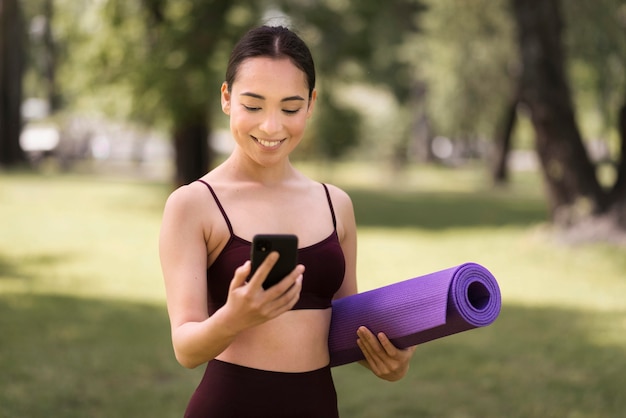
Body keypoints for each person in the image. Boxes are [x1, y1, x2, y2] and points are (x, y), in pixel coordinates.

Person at [159, 25, 417, 418]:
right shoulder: (193, 204)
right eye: (254, 105)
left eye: (290, 108)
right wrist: (235, 316)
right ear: (227, 98)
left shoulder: (336, 204)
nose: (271, 126)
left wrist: (387, 359)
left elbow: (344, 327)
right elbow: (186, 349)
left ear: (311, 103)